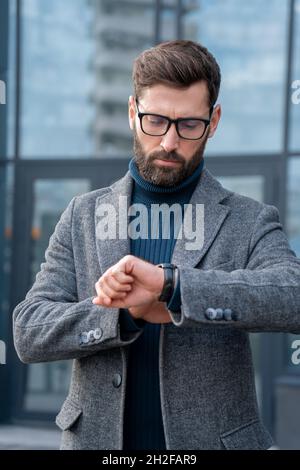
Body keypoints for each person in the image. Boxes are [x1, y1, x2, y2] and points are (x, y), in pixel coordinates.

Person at [13, 40, 300, 450]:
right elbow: (29, 330)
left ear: (213, 121)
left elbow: (293, 296)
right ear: (132, 113)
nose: (169, 141)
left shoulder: (249, 219)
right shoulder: (82, 214)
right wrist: (123, 317)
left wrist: (174, 287)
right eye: (155, 121)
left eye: (188, 125)